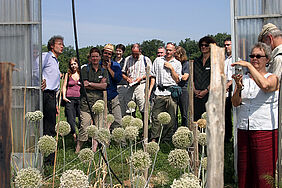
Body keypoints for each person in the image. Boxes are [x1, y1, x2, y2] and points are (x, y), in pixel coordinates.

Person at [232, 42, 279, 188]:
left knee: (264, 173)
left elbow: (265, 86)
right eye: (252, 56)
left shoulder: (273, 77)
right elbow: (235, 103)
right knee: (245, 171)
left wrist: (249, 67)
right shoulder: (244, 79)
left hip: (264, 129)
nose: (254, 59)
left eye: (258, 56)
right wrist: (238, 88)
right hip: (244, 129)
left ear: (267, 59)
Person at [76, 47, 109, 153]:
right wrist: (97, 85)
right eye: (93, 56)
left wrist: (90, 83)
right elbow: (84, 86)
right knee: (84, 126)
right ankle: (78, 149)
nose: (95, 58)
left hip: (99, 103)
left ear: (100, 57)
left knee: (98, 127)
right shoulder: (85, 69)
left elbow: (104, 86)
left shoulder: (103, 70)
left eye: (96, 56)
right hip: (86, 104)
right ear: (90, 57)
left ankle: (94, 150)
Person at [149, 42, 182, 142]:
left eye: (170, 50)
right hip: (159, 92)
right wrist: (150, 91)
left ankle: (165, 139)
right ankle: (154, 139)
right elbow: (153, 76)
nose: (168, 52)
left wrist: (171, 68)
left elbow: (177, 80)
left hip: (171, 93)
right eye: (167, 50)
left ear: (174, 51)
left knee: (171, 119)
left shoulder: (177, 63)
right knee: (156, 117)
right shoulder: (158, 61)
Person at [41, 35, 64, 164]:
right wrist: (40, 80)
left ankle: (49, 158)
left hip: (52, 96)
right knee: (48, 126)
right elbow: (35, 68)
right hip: (45, 94)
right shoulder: (46, 56)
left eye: (62, 44)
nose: (62, 46)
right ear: (52, 45)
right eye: (59, 44)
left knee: (50, 126)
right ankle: (48, 159)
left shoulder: (55, 61)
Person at [122, 43, 152, 119]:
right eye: (133, 54)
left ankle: (145, 126)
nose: (135, 56)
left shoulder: (146, 59)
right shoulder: (128, 59)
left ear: (140, 51)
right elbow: (122, 73)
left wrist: (141, 78)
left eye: (136, 54)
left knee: (142, 107)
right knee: (130, 108)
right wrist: (127, 79)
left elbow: (151, 74)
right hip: (130, 86)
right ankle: (132, 126)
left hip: (141, 86)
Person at [193, 36, 216, 121]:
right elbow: (192, 78)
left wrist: (206, 90)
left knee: (209, 119)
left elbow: (215, 79)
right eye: (202, 45)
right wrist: (194, 90)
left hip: (209, 95)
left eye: (206, 45)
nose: (203, 47)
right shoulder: (196, 61)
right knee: (197, 119)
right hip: (196, 95)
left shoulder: (214, 61)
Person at [100, 44, 123, 130]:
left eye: (109, 54)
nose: (107, 55)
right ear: (102, 53)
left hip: (113, 95)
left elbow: (118, 79)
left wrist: (109, 68)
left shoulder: (116, 65)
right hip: (101, 96)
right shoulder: (97, 64)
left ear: (112, 55)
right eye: (105, 53)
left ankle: (119, 142)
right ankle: (103, 141)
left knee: (117, 120)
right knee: (102, 121)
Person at [62, 57, 81, 141]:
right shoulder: (68, 74)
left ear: (77, 64)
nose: (73, 66)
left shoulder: (81, 74)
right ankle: (73, 134)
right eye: (71, 64)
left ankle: (82, 135)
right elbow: (64, 86)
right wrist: (64, 96)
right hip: (69, 99)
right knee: (70, 118)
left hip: (79, 98)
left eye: (74, 64)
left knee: (81, 118)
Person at [174, 46, 189, 127]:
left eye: (177, 56)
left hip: (183, 89)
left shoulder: (186, 64)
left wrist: (175, 75)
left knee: (184, 113)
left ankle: (185, 129)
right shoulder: (175, 63)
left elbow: (185, 77)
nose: (175, 58)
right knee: (174, 112)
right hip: (174, 89)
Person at [224, 37, 233, 142]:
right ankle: (227, 136)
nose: (226, 47)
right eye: (225, 45)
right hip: (225, 89)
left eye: (228, 44)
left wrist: (229, 84)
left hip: (233, 89)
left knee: (235, 113)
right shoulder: (224, 59)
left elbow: (238, 73)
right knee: (226, 114)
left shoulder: (237, 58)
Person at [115, 44, 128, 117]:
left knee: (122, 105)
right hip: (114, 85)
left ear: (123, 52)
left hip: (123, 85)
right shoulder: (111, 61)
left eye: (120, 51)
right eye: (117, 51)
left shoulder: (126, 61)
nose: (118, 53)